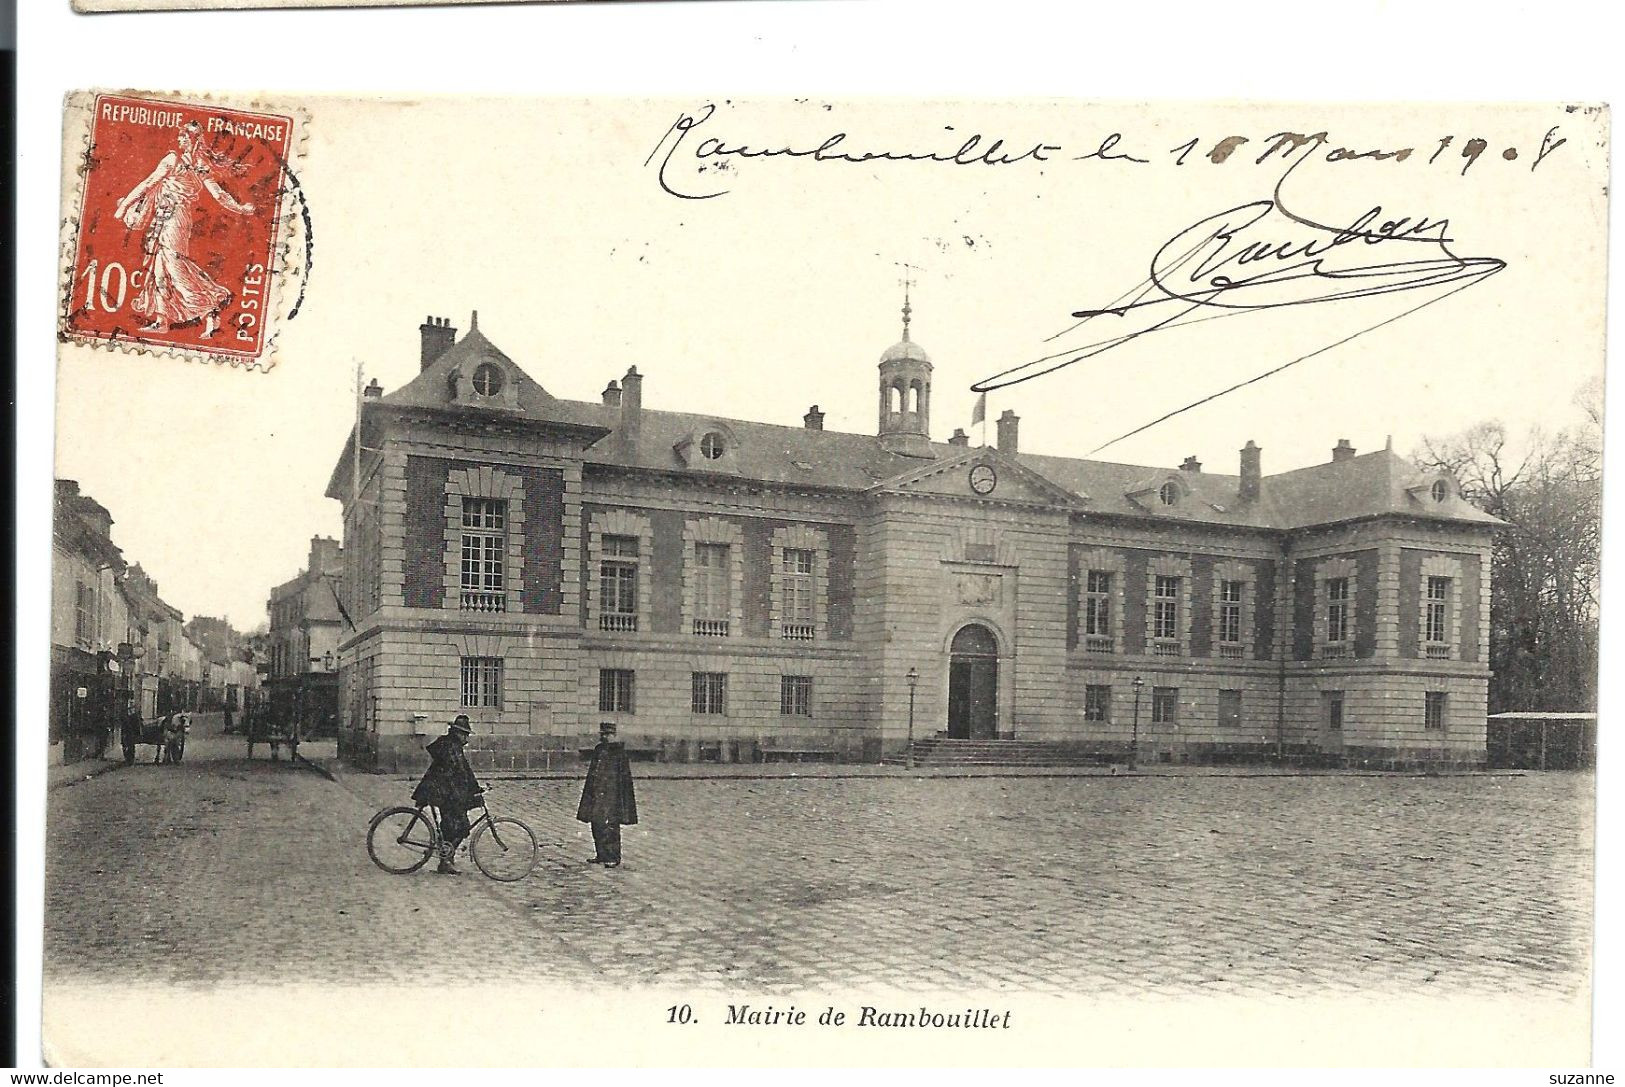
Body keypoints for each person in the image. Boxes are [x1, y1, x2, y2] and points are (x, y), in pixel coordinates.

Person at [112, 120, 258, 339]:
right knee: (159, 266)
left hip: (176, 219)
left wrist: (240, 208)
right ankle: (162, 320)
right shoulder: (174, 159)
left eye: (184, 137)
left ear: (194, 140)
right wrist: (124, 206)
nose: (180, 140)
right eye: (179, 136)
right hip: (164, 216)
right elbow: (149, 183)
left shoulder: (196, 164)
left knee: (174, 265)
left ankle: (209, 310)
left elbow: (218, 194)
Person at [411, 715, 483, 874]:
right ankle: (445, 859)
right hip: (441, 793)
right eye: (465, 734)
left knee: (455, 825)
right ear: (457, 733)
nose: (466, 738)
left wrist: (476, 789)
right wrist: (469, 793)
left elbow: (465, 773)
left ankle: (446, 857)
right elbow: (455, 775)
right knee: (462, 825)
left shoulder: (452, 746)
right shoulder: (450, 748)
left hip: (443, 793)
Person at [578, 721, 638, 868]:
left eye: (608, 734)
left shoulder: (619, 752)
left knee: (611, 826)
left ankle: (613, 857)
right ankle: (601, 854)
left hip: (612, 795)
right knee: (596, 824)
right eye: (603, 734)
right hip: (597, 793)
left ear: (614, 735)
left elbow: (623, 779)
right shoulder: (599, 750)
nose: (605, 737)